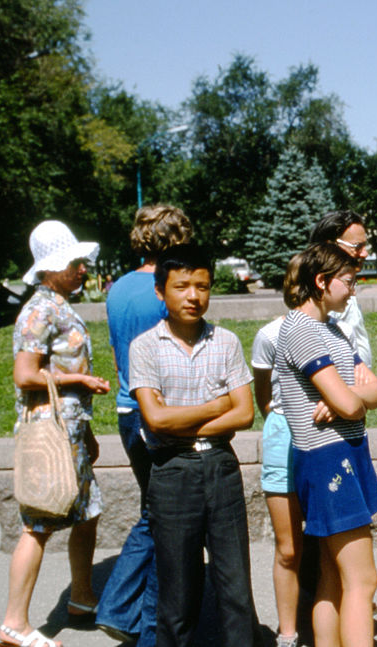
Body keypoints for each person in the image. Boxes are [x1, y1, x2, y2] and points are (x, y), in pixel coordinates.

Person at [128, 244, 257, 647]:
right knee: (178, 594)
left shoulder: (226, 342)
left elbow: (245, 414)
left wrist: (185, 420)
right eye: (181, 286)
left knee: (235, 588)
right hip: (171, 472)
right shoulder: (145, 347)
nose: (193, 296)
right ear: (160, 291)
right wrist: (218, 404)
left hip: (220, 466)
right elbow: (156, 419)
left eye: (202, 286)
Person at [0, 220, 110, 647]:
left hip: (71, 431)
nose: (83, 269)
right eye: (75, 263)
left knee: (88, 512)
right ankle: (14, 623)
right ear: (51, 267)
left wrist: (87, 431)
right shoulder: (41, 309)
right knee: (39, 525)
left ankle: (81, 598)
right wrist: (78, 382)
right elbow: (25, 374)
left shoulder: (58, 304)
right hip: (51, 436)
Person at [276, 243, 377, 647]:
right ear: (321, 282)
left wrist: (351, 399)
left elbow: (376, 390)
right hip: (329, 457)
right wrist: (349, 401)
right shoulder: (303, 330)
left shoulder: (330, 327)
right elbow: (352, 404)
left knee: (332, 574)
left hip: (340, 454)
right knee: (362, 579)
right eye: (349, 281)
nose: (353, 290)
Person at [97, 204, 193, 646]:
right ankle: (150, 624)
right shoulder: (164, 289)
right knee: (168, 518)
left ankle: (117, 607)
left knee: (154, 511)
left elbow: (119, 354)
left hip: (125, 408)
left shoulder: (117, 289)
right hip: (159, 411)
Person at [252, 256, 303, 647]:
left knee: (326, 540)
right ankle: (287, 634)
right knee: (288, 547)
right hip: (283, 436)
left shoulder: (336, 333)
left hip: (326, 437)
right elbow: (264, 396)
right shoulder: (269, 335)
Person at [309, 210, 373, 367]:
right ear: (330, 246)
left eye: (365, 245)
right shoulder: (325, 293)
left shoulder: (343, 287)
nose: (365, 253)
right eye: (357, 246)